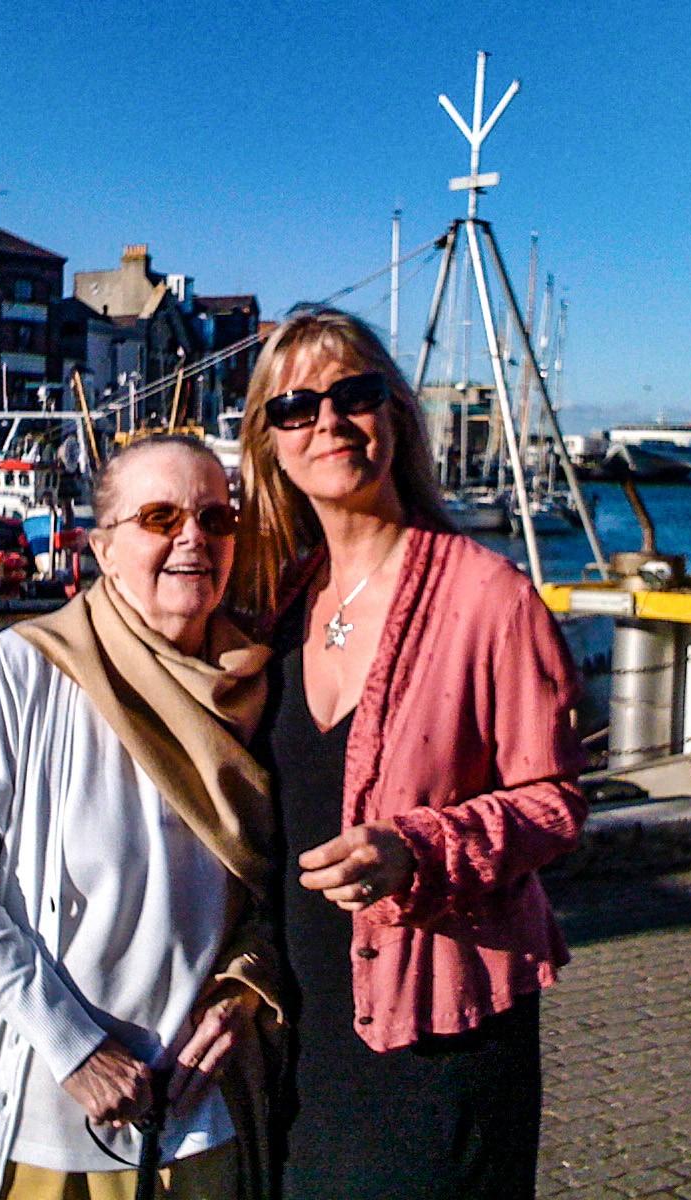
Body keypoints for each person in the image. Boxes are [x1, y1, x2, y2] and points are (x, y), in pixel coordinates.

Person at [234, 308, 587, 1199]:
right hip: (301, 1030)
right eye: (296, 407)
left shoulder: (488, 597)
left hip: (437, 1032)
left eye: (354, 395)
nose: (328, 421)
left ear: (394, 415)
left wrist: (416, 849)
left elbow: (554, 799)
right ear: (267, 442)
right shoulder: (281, 601)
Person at [0, 436, 282, 1200]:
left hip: (194, 1112)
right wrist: (73, 1047)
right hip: (38, 1112)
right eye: (159, 516)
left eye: (214, 517)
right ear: (104, 549)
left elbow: (275, 890)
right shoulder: (31, 666)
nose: (193, 539)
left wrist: (248, 985)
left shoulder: (256, 688)